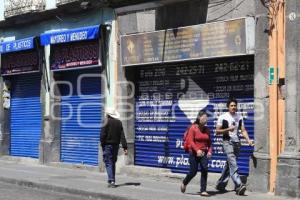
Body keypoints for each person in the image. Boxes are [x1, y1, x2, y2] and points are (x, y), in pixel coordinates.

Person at [215, 98, 254, 195]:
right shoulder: (223, 117)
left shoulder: (239, 117)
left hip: (237, 143)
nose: (233, 107)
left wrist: (248, 140)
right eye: (231, 106)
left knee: (229, 164)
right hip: (227, 142)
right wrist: (228, 129)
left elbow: (243, 130)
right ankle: (239, 185)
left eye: (235, 105)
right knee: (233, 163)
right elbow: (217, 131)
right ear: (228, 107)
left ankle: (220, 184)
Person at [180, 110, 212, 197]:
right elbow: (190, 141)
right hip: (194, 153)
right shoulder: (193, 128)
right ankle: (185, 182)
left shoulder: (207, 129)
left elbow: (209, 142)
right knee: (193, 172)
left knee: (204, 169)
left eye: (207, 118)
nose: (206, 120)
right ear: (199, 118)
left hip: (204, 153)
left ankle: (203, 190)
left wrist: (209, 151)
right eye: (204, 118)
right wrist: (197, 150)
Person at [101, 107, 128, 188]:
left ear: (108, 114)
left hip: (107, 145)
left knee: (108, 162)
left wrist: (102, 144)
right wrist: (125, 147)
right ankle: (111, 180)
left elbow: (102, 135)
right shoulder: (119, 122)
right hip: (116, 146)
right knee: (112, 162)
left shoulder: (105, 121)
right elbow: (122, 136)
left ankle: (111, 180)